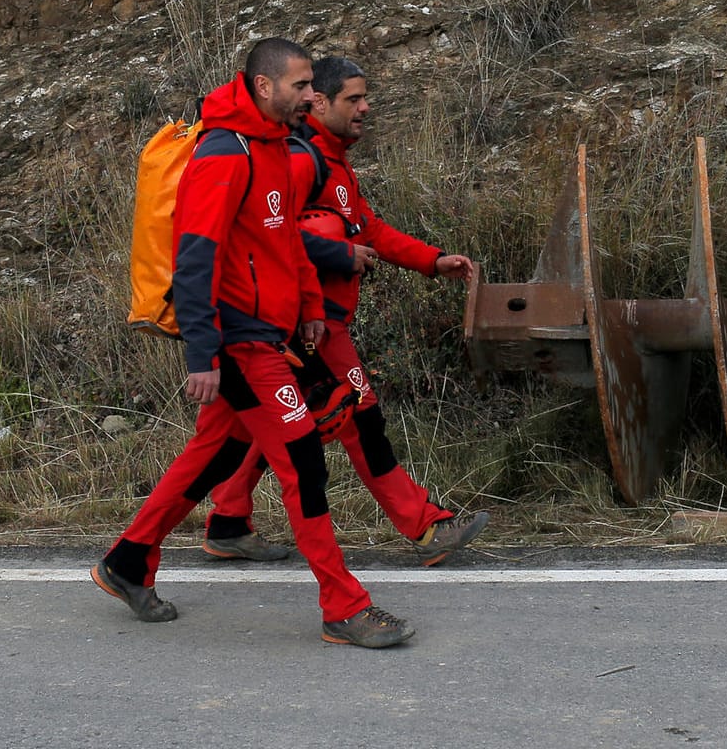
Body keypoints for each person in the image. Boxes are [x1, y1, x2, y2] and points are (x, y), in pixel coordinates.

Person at [91, 38, 413, 649]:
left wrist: (312, 310)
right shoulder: (224, 154)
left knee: (211, 455)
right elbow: (195, 261)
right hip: (240, 342)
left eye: (312, 87)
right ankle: (344, 606)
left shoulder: (275, 149)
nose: (310, 97)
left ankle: (128, 561)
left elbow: (287, 243)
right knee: (303, 464)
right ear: (264, 87)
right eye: (300, 87)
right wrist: (203, 355)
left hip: (275, 334)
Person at [200, 56, 488, 568]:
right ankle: (423, 526)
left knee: (249, 432)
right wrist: (336, 255)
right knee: (361, 419)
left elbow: (367, 230)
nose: (365, 107)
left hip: (285, 329)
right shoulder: (302, 159)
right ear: (320, 103)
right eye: (352, 99)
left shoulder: (331, 161)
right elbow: (270, 237)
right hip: (311, 326)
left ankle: (224, 522)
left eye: (364, 97)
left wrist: (431, 260)